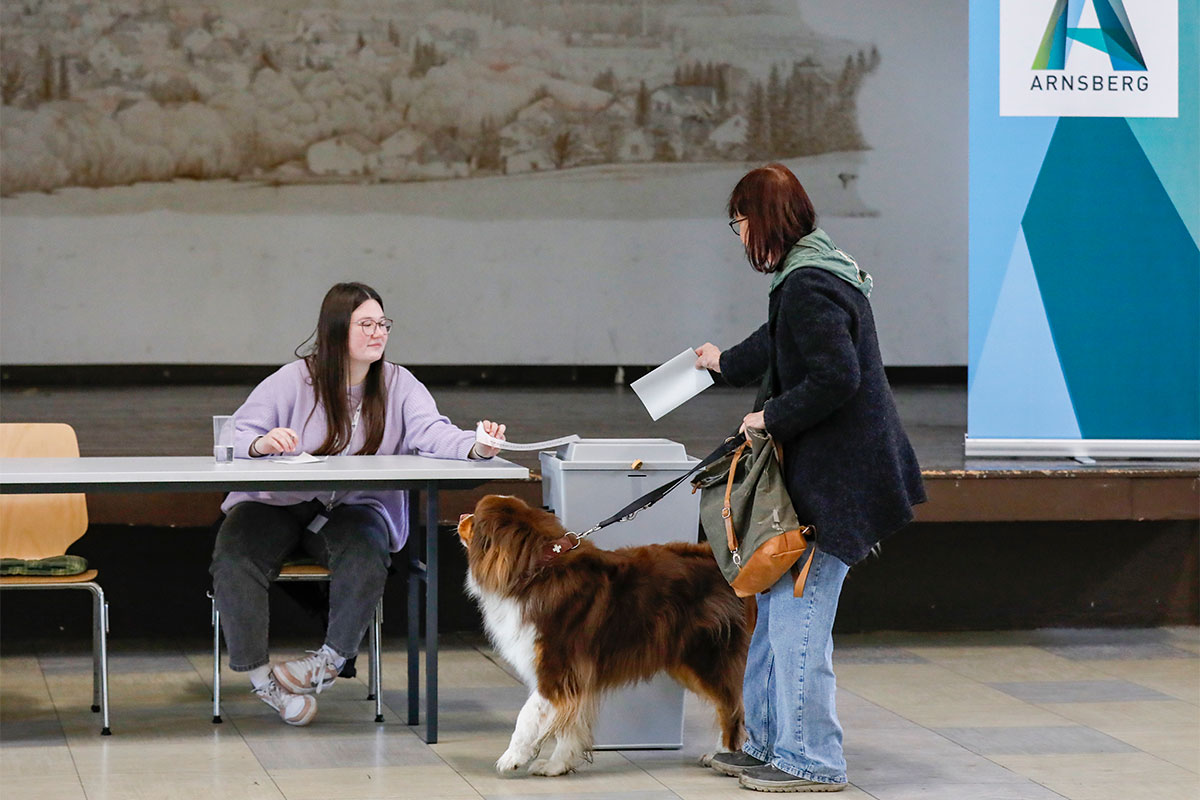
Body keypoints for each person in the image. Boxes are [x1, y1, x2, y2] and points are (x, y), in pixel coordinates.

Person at [694, 164, 925, 792]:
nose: (739, 238)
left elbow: (836, 376)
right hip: (827, 478)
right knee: (774, 613)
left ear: (761, 220)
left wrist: (768, 414)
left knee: (798, 620)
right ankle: (769, 746)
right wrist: (720, 364)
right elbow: (778, 343)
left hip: (836, 485)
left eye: (739, 223)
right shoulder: (814, 271)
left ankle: (812, 761)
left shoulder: (808, 283)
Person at [210, 281, 506, 726]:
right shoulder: (295, 378)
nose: (378, 333)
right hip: (279, 503)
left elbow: (433, 432)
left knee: (368, 551)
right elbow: (235, 432)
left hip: (353, 506)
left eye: (382, 323)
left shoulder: (398, 383)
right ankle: (262, 682)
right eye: (365, 324)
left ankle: (327, 663)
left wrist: (477, 447)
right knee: (234, 555)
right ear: (335, 331)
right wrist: (260, 443)